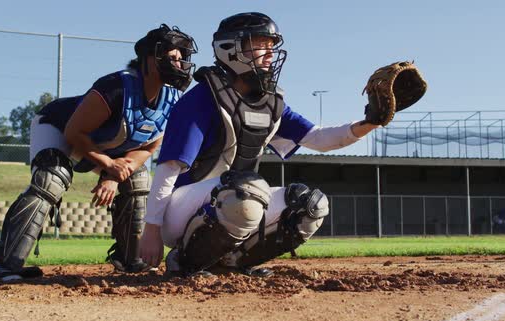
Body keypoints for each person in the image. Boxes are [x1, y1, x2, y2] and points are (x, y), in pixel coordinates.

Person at [139, 12, 381, 277]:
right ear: (229, 49)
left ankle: (231, 263)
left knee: (309, 206)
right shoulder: (201, 100)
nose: (269, 53)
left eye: (271, 46)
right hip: (178, 212)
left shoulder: (270, 103)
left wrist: (370, 122)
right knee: (248, 190)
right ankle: (184, 262)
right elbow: (167, 170)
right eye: (260, 45)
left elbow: (320, 139)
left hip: (235, 198)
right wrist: (152, 228)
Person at [0, 24, 197, 281]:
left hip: (109, 147)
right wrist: (107, 163)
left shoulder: (172, 99)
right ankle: (5, 264)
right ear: (148, 59)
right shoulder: (116, 87)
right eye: (170, 57)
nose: (178, 63)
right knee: (51, 179)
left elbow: (149, 148)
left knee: (139, 179)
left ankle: (131, 260)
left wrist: (112, 174)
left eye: (180, 58)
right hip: (59, 128)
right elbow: (74, 132)